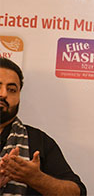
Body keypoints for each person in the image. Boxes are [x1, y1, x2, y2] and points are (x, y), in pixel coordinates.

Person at [0, 57, 86, 196]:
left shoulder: (38, 141)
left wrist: (36, 179)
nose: (4, 94)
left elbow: (77, 192)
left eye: (11, 89)